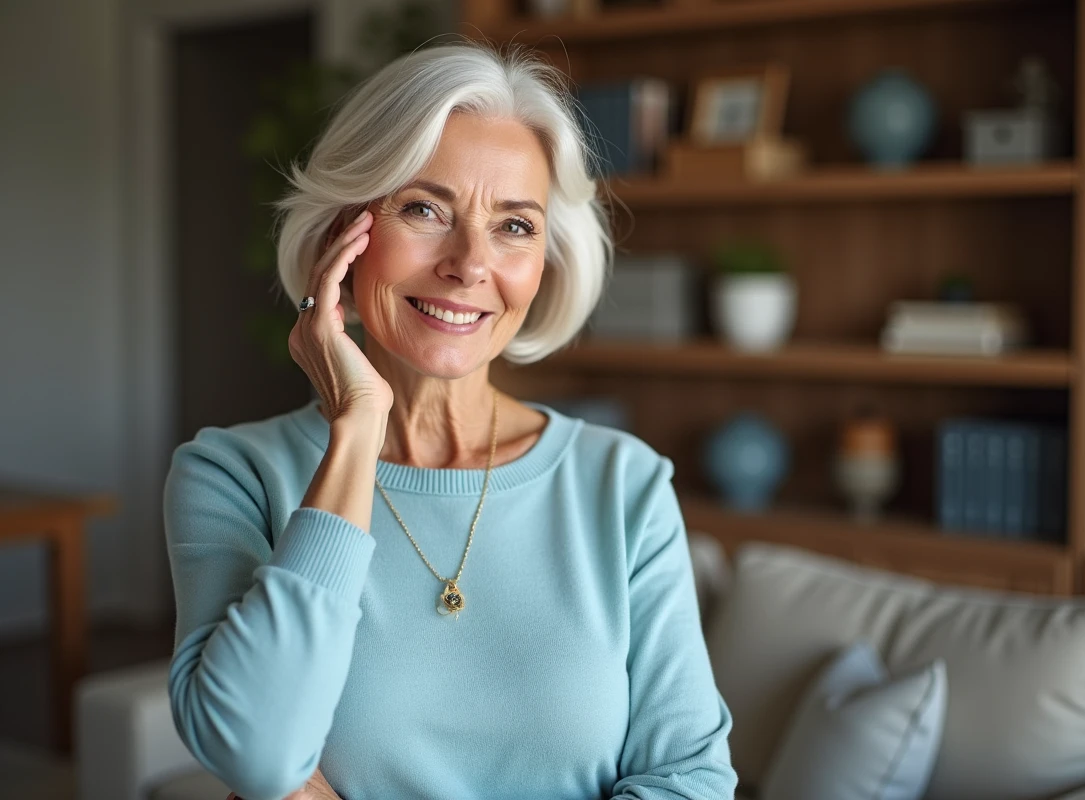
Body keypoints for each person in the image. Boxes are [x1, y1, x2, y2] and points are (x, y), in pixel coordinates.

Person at [162, 41, 736, 800]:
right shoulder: (232, 476)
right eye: (425, 209)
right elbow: (258, 757)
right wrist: (359, 428)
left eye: (514, 226)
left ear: (546, 262)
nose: (470, 264)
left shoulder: (623, 484)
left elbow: (690, 780)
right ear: (343, 230)